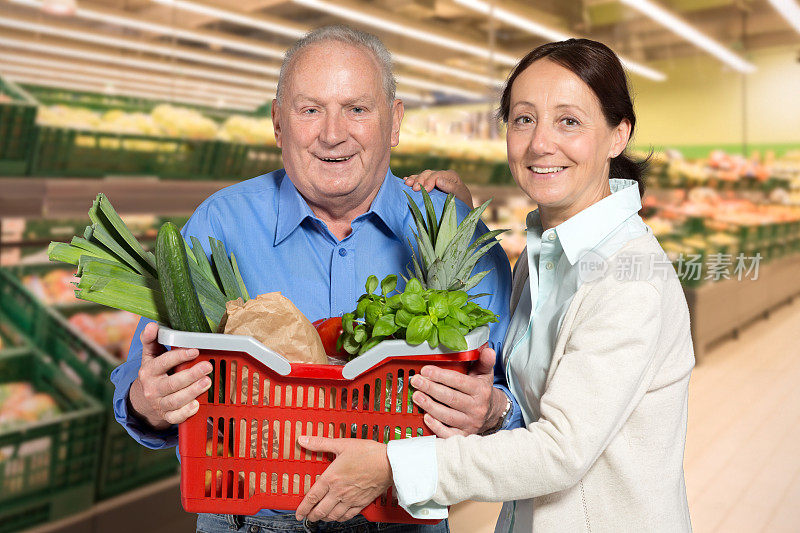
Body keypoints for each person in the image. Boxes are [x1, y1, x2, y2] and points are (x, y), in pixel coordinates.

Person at [109, 25, 515, 533]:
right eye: (310, 109)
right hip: (247, 522)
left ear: (395, 122)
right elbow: (140, 381)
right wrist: (148, 401)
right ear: (279, 122)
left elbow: (514, 399)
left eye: (357, 109)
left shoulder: (456, 238)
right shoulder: (220, 224)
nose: (332, 133)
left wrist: (494, 411)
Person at [294, 38, 695, 532]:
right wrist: (495, 407)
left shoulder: (629, 280)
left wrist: (394, 466)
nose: (540, 143)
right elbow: (538, 401)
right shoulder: (543, 255)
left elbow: (560, 451)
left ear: (618, 135)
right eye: (524, 119)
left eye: (569, 120)